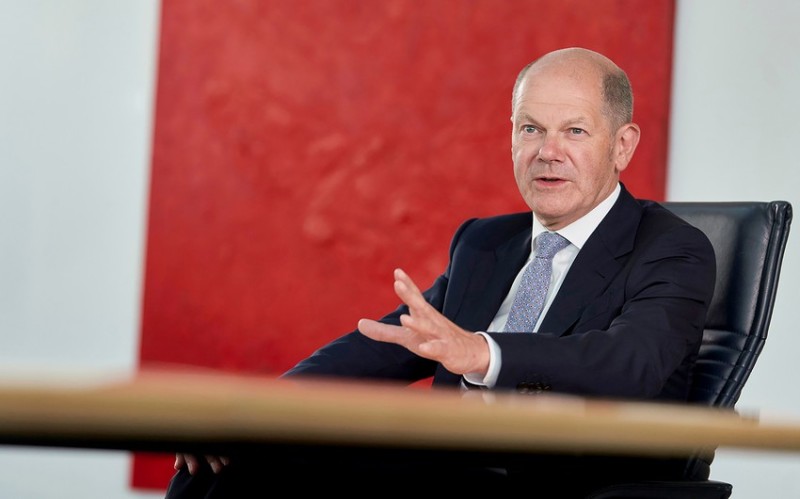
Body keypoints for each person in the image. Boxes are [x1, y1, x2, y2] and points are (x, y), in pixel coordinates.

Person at [164, 47, 716, 498]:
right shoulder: (485, 243)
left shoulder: (672, 249)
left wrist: (484, 353)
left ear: (622, 145)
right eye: (531, 129)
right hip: (450, 463)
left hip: (558, 479)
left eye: (574, 131)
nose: (548, 152)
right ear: (511, 136)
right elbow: (397, 342)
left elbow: (631, 364)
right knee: (227, 461)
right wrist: (256, 412)